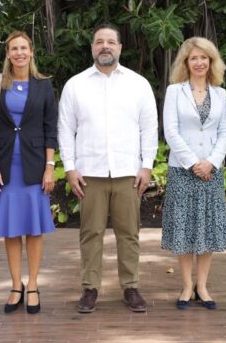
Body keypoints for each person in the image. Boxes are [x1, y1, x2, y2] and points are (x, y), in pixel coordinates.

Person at [58, 24, 158, 313]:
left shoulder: (138, 84)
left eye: (111, 42)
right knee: (91, 233)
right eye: (99, 41)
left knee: (129, 233)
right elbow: (66, 130)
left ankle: (131, 286)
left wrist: (147, 166)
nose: (105, 46)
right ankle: (90, 288)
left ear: (120, 48)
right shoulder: (75, 85)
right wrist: (70, 168)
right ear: (92, 47)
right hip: (90, 174)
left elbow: (149, 128)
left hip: (128, 172)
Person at [0, 31, 58, 314]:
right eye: (13, 48)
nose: (19, 53)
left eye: (23, 48)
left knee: (34, 229)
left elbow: (50, 128)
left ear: (31, 51)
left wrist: (50, 167)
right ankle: (16, 285)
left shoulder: (43, 86)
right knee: (12, 230)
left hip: (35, 165)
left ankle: (34, 285)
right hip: (5, 166)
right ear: (7, 54)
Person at [161, 37, 226, 310]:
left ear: (211, 62)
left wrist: (211, 162)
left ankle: (202, 285)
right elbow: (171, 131)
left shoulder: (221, 93)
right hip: (183, 170)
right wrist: (194, 163)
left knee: (208, 228)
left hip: (211, 171)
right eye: (194, 58)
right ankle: (187, 286)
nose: (200, 62)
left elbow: (224, 132)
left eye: (205, 58)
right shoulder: (175, 91)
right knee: (184, 228)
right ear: (186, 63)